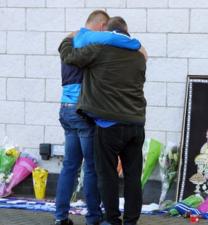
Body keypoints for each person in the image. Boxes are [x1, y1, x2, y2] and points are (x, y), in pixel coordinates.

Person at [55, 11, 143, 225]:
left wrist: (66, 40)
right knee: (105, 171)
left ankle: (65, 217)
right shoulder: (132, 55)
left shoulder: (88, 47)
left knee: (73, 166)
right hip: (125, 121)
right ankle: (102, 218)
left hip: (76, 112)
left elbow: (69, 57)